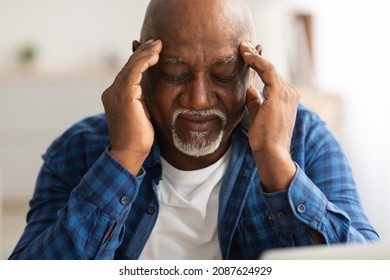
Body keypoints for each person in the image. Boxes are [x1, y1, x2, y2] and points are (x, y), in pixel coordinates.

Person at [9, 0, 379, 260]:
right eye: (175, 74)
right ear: (141, 64)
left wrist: (277, 165)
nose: (200, 99)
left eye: (222, 74)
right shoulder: (79, 149)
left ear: (253, 66)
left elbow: (362, 266)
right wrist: (123, 159)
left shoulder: (305, 139)